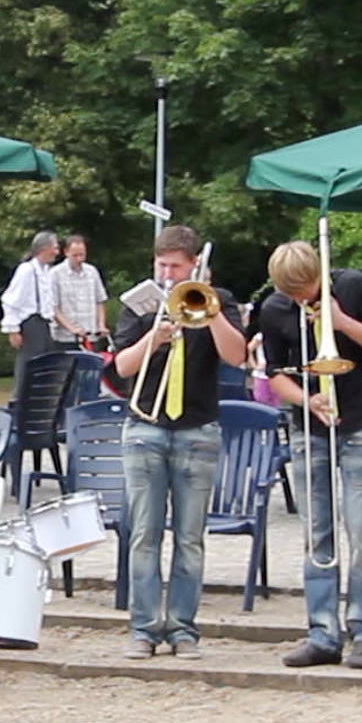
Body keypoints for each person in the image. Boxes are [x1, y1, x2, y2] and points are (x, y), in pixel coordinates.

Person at [104, 224, 247, 660]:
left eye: (176, 268)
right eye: (161, 265)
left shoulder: (217, 300)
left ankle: (183, 629)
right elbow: (120, 368)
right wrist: (154, 337)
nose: (167, 275)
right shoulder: (141, 304)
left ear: (195, 266)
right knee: (144, 535)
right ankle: (144, 629)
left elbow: (237, 356)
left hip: (197, 430)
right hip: (144, 428)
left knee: (190, 538)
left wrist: (210, 307)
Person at [258, 239, 362, 669]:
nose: (302, 299)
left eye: (307, 289)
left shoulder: (353, 287)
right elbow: (274, 376)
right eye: (292, 293)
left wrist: (341, 322)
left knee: (361, 529)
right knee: (317, 534)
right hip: (309, 427)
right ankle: (322, 632)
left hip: (359, 421)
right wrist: (307, 400)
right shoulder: (274, 309)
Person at [0, 230, 60, 388]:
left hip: (44, 323)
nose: (57, 252)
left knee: (44, 365)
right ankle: (20, 397)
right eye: (54, 248)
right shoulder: (26, 270)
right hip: (30, 323)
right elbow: (11, 300)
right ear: (44, 248)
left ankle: (40, 396)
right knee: (29, 365)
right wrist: (12, 329)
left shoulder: (46, 271)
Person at [48, 234, 109, 350]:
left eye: (82, 255)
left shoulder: (92, 272)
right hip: (65, 339)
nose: (79, 259)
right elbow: (53, 308)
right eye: (75, 255)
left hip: (91, 335)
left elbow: (99, 301)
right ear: (66, 252)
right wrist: (72, 329)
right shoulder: (55, 274)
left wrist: (101, 325)